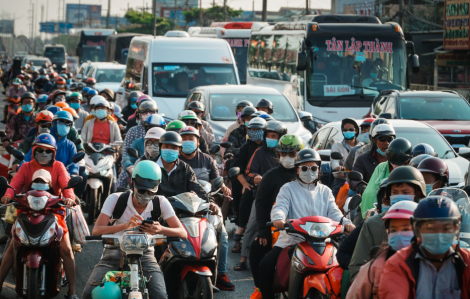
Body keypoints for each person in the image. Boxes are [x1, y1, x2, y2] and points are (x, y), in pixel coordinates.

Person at [82, 160, 187, 299]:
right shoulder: (115, 199)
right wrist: (125, 226)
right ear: (132, 183)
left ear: (157, 187)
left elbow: (183, 233)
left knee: (160, 295)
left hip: (145, 255)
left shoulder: (160, 202)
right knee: (88, 294)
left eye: (150, 191)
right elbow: (96, 230)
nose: (145, 195)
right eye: (141, 190)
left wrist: (160, 229)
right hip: (114, 253)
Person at [259, 148, 355, 299]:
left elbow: (334, 212)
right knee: (265, 266)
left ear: (318, 170)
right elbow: (280, 206)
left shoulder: (325, 191)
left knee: (347, 266)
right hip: (292, 241)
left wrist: (346, 222)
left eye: (313, 168)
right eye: (304, 168)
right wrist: (278, 218)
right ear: (297, 170)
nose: (309, 171)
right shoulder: (288, 188)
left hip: (324, 242)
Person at [0, 134, 79, 298]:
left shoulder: (58, 166)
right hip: (26, 211)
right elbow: (14, 184)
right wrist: (8, 195)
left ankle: (72, 291)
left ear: (53, 153)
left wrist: (70, 198)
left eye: (47, 151)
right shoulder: (26, 166)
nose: (44, 154)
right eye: (40, 150)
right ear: (34, 151)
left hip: (54, 213)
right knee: (11, 248)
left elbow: (66, 185)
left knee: (66, 250)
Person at [379, 196, 470, 298]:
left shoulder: (466, 261)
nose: (438, 235)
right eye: (430, 228)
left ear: (456, 229)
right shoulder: (398, 263)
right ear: (417, 229)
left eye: (446, 228)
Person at [248, 134, 304, 298]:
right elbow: (262, 204)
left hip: (309, 229)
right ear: (278, 154)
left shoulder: (308, 175)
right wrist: (263, 231)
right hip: (279, 228)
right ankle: (263, 291)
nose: (287, 158)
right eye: (283, 154)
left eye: (292, 154)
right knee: (257, 250)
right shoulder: (270, 176)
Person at [349, 166, 426, 281]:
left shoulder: (428, 222)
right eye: (395, 192)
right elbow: (357, 267)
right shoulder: (373, 224)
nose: (400, 196)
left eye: (405, 192)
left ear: (418, 194)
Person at [235, 120, 287, 272]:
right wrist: (256, 177)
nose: (271, 138)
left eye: (275, 136)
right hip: (263, 196)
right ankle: (243, 258)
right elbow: (249, 171)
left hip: (285, 197)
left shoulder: (286, 154)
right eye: (269, 135)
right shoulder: (259, 152)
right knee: (252, 226)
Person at [347, 201, 418, 299]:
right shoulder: (375, 266)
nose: (398, 234)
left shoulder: (428, 264)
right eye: (393, 230)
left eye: (405, 229)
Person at [231, 117, 267, 251]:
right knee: (246, 193)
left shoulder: (269, 147)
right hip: (251, 182)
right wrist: (245, 183)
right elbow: (237, 167)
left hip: (268, 182)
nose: (255, 132)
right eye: (252, 129)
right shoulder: (246, 147)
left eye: (258, 129)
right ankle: (241, 227)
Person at [361, 137, 413, 216]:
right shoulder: (381, 167)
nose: (396, 162)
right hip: (376, 211)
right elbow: (370, 192)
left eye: (399, 158)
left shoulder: (412, 171)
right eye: (392, 157)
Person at [23, 111, 79, 176]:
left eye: (68, 123)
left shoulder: (71, 146)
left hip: (61, 180)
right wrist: (21, 170)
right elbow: (27, 158)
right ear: (53, 123)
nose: (64, 125)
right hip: (39, 178)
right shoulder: (43, 139)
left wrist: (74, 174)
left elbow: (74, 167)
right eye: (60, 121)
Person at [118, 115, 166, 189]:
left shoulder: (168, 159)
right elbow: (128, 158)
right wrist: (131, 168)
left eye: (156, 142)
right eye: (149, 142)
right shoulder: (139, 149)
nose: (155, 130)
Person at [350, 123, 396, 195]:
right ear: (374, 140)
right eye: (382, 139)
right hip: (370, 198)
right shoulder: (363, 159)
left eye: (389, 139)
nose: (386, 143)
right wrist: (360, 185)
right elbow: (353, 180)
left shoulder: (398, 159)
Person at [331, 118, 363, 198]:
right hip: (342, 181)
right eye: (345, 130)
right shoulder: (337, 146)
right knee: (335, 203)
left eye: (351, 129)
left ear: (356, 131)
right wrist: (338, 167)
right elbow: (334, 161)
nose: (348, 132)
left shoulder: (363, 147)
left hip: (359, 182)